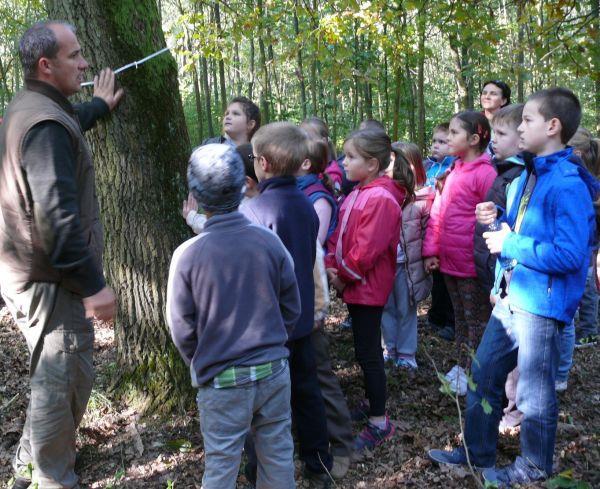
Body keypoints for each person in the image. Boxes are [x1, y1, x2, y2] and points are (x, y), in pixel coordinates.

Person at [429, 87, 598, 487]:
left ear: (553, 127)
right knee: (484, 374)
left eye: (527, 120)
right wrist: (497, 219)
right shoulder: (526, 174)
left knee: (534, 395)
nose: (519, 126)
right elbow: (518, 230)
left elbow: (570, 256)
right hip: (511, 298)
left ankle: (535, 466)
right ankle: (476, 452)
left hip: (542, 305)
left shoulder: (568, 184)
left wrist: (511, 243)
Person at [0, 21, 122, 488]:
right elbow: (58, 218)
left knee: (50, 381)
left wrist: (96, 107)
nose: (86, 63)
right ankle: (51, 480)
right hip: (51, 282)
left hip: (27, 272)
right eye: (75, 56)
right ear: (46, 65)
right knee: (61, 385)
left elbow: (60, 129)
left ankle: (28, 472)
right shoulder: (45, 124)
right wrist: (93, 286)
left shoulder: (32, 109)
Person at [167, 144, 300, 489]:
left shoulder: (188, 255)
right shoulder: (268, 241)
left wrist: (202, 362)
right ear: (244, 185)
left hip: (222, 378)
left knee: (222, 464)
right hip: (273, 371)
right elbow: (291, 306)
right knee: (278, 455)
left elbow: (181, 326)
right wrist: (273, 341)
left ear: (195, 195)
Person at [241, 122, 333, 489]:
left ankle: (260, 470)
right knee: (308, 393)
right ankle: (318, 464)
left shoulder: (255, 212)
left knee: (264, 404)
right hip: (301, 322)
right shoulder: (306, 205)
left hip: (269, 328)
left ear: (262, 162)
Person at [325, 129, 405, 456]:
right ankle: (373, 403)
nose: (344, 162)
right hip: (354, 285)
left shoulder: (382, 198)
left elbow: (366, 251)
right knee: (363, 349)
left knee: (370, 354)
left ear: (371, 164)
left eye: (351, 157)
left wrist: (342, 276)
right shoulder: (359, 191)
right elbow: (338, 236)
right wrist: (332, 263)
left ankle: (379, 421)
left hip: (367, 288)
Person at [422, 111, 497, 396]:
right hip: (450, 262)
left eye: (454, 133)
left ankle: (476, 373)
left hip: (471, 264)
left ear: (475, 139)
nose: (448, 138)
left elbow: (491, 219)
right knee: (460, 319)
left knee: (476, 319)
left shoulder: (485, 172)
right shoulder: (451, 170)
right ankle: (463, 367)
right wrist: (431, 251)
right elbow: (438, 214)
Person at [381, 143, 433, 370]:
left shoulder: (422, 199)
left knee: (406, 308)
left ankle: (406, 353)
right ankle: (389, 349)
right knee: (386, 308)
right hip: (385, 264)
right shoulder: (382, 193)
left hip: (407, 266)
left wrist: (429, 256)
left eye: (394, 161)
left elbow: (431, 231)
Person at [474, 104, 526, 294]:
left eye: (502, 134)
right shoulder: (502, 171)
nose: (494, 141)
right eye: (494, 133)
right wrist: (495, 212)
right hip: (492, 267)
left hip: (509, 277)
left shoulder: (521, 176)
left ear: (523, 138)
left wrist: (500, 286)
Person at [181, 143, 257, 234]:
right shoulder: (268, 200)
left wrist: (193, 218)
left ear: (247, 182)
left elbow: (222, 227)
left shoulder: (250, 210)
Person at [569, 127, 600, 348]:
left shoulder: (587, 180)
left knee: (588, 285)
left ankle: (589, 331)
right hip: (585, 241)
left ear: (577, 153)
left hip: (588, 241)